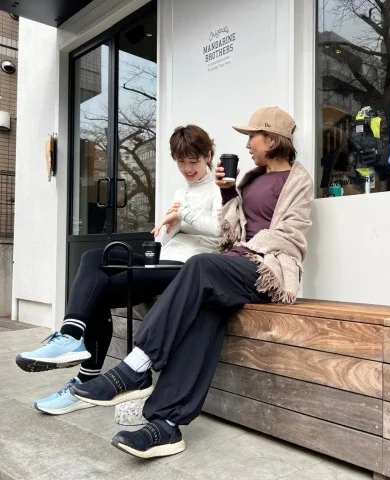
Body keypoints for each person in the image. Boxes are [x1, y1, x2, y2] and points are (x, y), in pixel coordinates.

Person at [69, 106, 313, 459]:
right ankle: (166, 426)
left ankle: (137, 366)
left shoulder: (298, 181)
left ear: (273, 140)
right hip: (235, 266)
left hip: (268, 270)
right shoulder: (251, 179)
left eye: (252, 136)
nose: (247, 144)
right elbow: (234, 231)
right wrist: (229, 194)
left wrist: (248, 251)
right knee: (205, 314)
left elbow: (292, 236)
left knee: (197, 266)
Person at [15, 125, 223, 416]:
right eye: (181, 161)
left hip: (188, 271)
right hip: (162, 262)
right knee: (94, 259)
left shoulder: (219, 190)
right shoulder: (181, 191)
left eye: (194, 161)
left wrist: (182, 214)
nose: (188, 168)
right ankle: (73, 343)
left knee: (101, 280)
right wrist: (171, 228)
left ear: (208, 155)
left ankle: (81, 373)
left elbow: (222, 231)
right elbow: (168, 240)